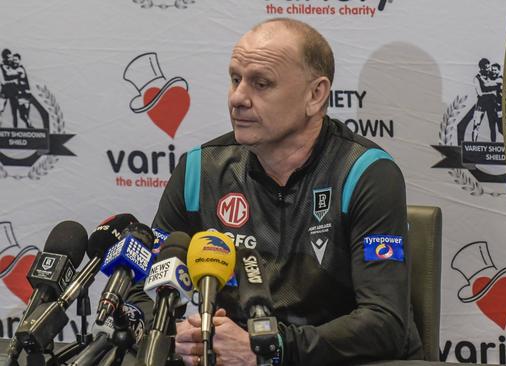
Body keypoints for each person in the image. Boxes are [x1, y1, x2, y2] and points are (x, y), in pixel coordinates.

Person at [147, 18, 422, 366]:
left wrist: (268, 348)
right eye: (235, 79)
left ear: (315, 95)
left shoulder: (366, 172)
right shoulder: (200, 171)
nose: (238, 98)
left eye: (261, 84)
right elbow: (146, 289)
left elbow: (385, 323)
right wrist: (174, 338)